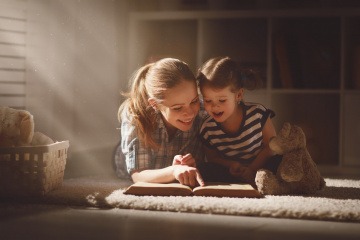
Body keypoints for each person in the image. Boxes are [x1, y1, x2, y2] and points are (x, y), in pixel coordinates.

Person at [114, 58, 205, 187]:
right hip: (131, 165)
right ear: (154, 104)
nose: (190, 113)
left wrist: (189, 164)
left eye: (194, 101)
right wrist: (173, 171)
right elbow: (137, 175)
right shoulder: (136, 116)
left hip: (169, 162)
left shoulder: (203, 111)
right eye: (178, 108)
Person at [196, 56, 281, 185]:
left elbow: (271, 147)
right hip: (231, 171)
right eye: (208, 101)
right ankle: (241, 180)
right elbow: (212, 158)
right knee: (203, 168)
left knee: (281, 161)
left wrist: (252, 169)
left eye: (222, 100)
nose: (214, 106)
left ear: (239, 95)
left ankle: (262, 180)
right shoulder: (207, 128)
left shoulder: (258, 114)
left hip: (261, 165)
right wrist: (231, 165)